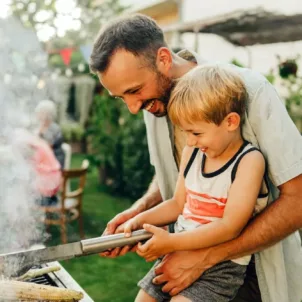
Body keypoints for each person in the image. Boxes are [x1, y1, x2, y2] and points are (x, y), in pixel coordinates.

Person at [89, 14, 302, 302]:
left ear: (163, 59)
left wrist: (204, 257)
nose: (132, 107)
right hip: (184, 253)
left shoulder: (251, 91)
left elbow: (298, 199)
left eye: (134, 91)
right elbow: (182, 175)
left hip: (251, 273)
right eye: (121, 98)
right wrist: (140, 213)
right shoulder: (156, 101)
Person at [123, 64, 269, 302]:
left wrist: (170, 241)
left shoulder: (248, 162)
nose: (190, 141)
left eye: (196, 133)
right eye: (185, 132)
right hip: (178, 251)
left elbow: (230, 227)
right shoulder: (193, 152)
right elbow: (177, 203)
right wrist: (139, 220)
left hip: (220, 266)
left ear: (231, 122)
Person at [35, 100, 65, 169]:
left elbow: (48, 146)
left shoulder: (54, 128)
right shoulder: (39, 126)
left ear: (48, 114)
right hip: (44, 159)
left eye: (41, 112)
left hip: (54, 161)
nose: (38, 114)